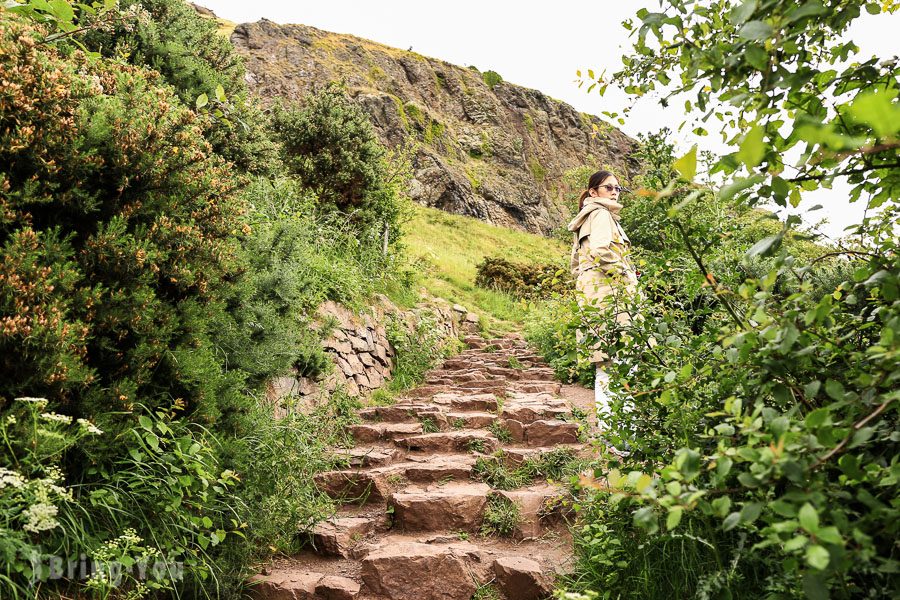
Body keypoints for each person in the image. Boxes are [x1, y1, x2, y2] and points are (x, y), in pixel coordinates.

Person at [567, 170, 638, 428]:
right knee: (623, 361)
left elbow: (575, 265)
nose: (615, 192)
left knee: (605, 364)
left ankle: (611, 432)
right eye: (609, 187)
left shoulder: (585, 218)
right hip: (610, 293)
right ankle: (624, 432)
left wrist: (588, 284)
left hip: (594, 294)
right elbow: (600, 250)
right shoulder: (601, 214)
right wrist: (625, 274)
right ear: (593, 192)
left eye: (618, 188)